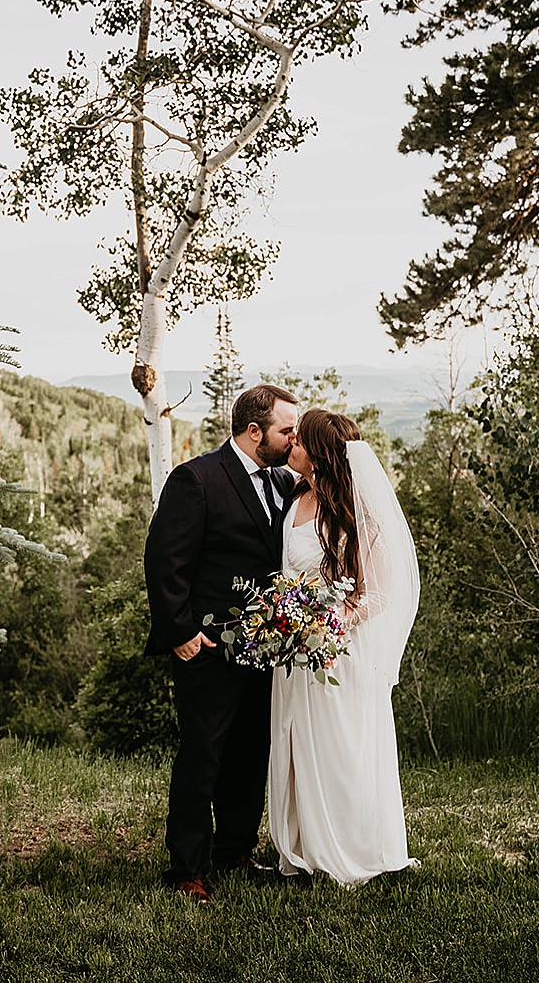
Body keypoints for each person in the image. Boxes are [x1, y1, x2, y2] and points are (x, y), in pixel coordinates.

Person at [144, 384, 299, 903]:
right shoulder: (197, 479)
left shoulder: (282, 482)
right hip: (207, 647)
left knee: (250, 754)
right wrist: (182, 633)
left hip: (263, 648)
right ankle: (187, 868)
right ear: (254, 432)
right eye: (285, 430)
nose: (292, 438)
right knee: (202, 757)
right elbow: (165, 562)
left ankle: (236, 850)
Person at [269, 408, 420, 887]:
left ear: (316, 452)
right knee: (295, 745)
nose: (290, 443)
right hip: (294, 651)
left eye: (298, 439)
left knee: (339, 748)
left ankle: (350, 850)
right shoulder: (295, 498)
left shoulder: (357, 513)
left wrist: (328, 624)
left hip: (338, 652)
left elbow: (377, 593)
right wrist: (286, 621)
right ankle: (301, 850)